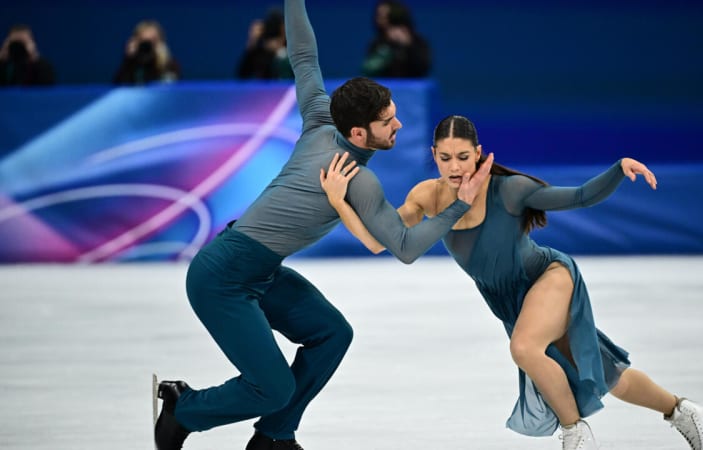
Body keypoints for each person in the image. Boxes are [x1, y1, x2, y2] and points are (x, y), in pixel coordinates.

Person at [151, 1, 492, 450]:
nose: (399, 125)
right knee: (272, 387)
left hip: (258, 267)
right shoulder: (358, 180)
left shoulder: (320, 117)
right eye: (387, 122)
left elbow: (304, 57)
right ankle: (184, 407)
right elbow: (405, 248)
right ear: (357, 134)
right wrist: (455, 207)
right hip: (221, 278)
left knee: (332, 333)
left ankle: (274, 436)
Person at [321, 115, 703, 450]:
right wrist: (340, 201)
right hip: (510, 302)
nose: (456, 167)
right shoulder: (427, 196)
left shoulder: (509, 191)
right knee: (606, 375)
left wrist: (618, 168)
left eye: (464, 156)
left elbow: (579, 196)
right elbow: (380, 241)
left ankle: (575, 435)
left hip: (548, 277)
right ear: (433, 157)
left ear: (478, 154)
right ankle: (683, 411)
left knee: (525, 348)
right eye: (446, 158)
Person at [361, 0, 432, 78]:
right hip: (384, 87)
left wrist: (408, 45)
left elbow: (423, 69)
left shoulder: (418, 42)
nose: (379, 20)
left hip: (411, 88)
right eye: (378, 16)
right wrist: (388, 47)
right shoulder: (377, 43)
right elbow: (368, 69)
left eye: (385, 17)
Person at [113, 20, 180, 85]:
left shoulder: (170, 64)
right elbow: (119, 90)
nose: (147, 45)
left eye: (153, 41)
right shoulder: (132, 63)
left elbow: (171, 90)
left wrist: (164, 63)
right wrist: (128, 59)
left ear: (161, 42)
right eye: (143, 41)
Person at [237, 7, 294, 81]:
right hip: (265, 91)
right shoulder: (260, 50)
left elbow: (300, 75)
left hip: (289, 90)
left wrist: (281, 50)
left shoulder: (292, 47)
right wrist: (251, 43)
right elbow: (242, 75)